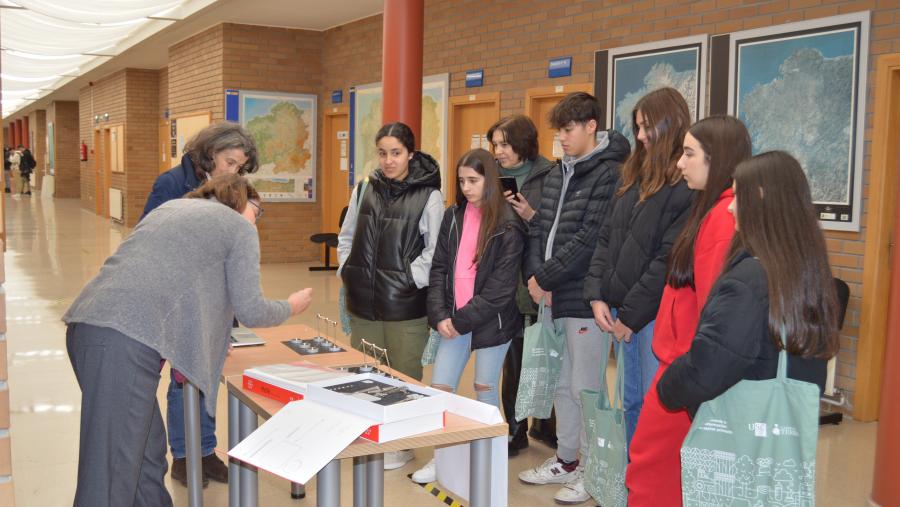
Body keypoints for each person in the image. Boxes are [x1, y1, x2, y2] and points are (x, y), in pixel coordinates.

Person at [64, 174, 314, 507]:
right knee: (110, 476)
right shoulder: (238, 227)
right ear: (242, 202)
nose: (257, 221)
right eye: (258, 212)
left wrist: (209, 337)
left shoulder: (172, 209)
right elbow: (251, 309)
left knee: (144, 457)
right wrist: (292, 306)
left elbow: (183, 289)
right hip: (124, 339)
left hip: (89, 327)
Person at [655, 149, 839, 471]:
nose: (729, 205)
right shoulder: (808, 270)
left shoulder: (748, 282)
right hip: (781, 439)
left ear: (761, 198)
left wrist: (666, 387)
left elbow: (707, 368)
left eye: (738, 195)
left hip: (739, 438)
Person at [625, 115, 753, 506]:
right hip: (678, 363)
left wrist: (688, 374)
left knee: (650, 474)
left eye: (689, 154)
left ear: (718, 159)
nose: (680, 164)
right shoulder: (709, 209)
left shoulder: (721, 218)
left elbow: (715, 312)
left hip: (686, 369)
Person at [518, 92, 630, 505]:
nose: (562, 138)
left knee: (586, 386)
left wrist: (544, 276)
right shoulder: (559, 171)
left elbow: (591, 239)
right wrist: (535, 276)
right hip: (550, 293)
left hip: (584, 296)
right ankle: (566, 460)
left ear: (590, 127)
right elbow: (540, 225)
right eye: (559, 131)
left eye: (568, 130)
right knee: (562, 386)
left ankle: (592, 467)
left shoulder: (609, 173)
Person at [141, 122, 260, 487]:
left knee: (206, 378)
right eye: (229, 162)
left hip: (216, 298)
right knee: (182, 379)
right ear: (209, 154)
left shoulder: (236, 189)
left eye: (240, 166)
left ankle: (206, 451)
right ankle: (183, 455)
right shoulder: (170, 184)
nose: (233, 171)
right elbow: (148, 239)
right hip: (175, 299)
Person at [583, 87, 694, 451]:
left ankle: (646, 488)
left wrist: (629, 315)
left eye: (648, 127)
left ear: (671, 125)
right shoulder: (631, 173)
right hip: (620, 311)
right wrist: (597, 294)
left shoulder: (684, 186)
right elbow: (605, 236)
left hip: (648, 316)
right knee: (630, 403)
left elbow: (666, 259)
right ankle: (632, 484)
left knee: (650, 404)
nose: (641, 136)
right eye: (638, 128)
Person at [410, 148, 525, 484]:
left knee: (484, 388)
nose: (466, 187)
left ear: (489, 179)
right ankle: (442, 459)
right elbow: (440, 269)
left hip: (492, 323)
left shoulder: (508, 225)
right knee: (441, 388)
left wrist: (459, 321)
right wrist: (440, 315)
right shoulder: (453, 216)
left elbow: (500, 290)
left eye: (473, 180)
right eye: (461, 181)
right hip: (453, 321)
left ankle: (489, 461)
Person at [337, 121, 443, 470]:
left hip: (405, 306)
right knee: (368, 372)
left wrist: (408, 279)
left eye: (395, 153)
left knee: (403, 374)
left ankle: (403, 443)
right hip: (365, 302)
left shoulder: (429, 195)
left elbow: (436, 250)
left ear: (411, 153)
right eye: (382, 153)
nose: (388, 160)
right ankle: (373, 434)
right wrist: (346, 269)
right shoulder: (364, 188)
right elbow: (348, 234)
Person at [486, 114, 558, 455]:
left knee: (547, 360)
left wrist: (530, 214)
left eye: (504, 144)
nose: (498, 151)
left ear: (523, 143)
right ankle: (515, 431)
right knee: (512, 364)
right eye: (495, 145)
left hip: (540, 281)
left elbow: (557, 230)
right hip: (505, 284)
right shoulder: (493, 179)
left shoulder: (550, 175)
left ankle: (550, 429)